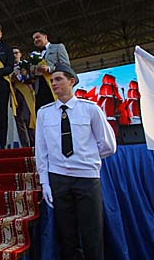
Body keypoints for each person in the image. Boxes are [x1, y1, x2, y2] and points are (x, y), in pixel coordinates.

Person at [35, 64, 116, 260]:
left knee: (92, 234)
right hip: (58, 179)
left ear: (71, 81)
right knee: (67, 236)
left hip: (86, 178)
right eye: (52, 80)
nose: (54, 83)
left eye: (58, 79)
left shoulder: (90, 109)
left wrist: (86, 159)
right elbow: (41, 151)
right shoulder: (44, 113)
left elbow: (108, 144)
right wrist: (45, 182)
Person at [32, 29, 71, 112]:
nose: (35, 40)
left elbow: (65, 65)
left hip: (54, 85)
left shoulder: (58, 47)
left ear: (45, 37)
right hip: (40, 88)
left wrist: (49, 69)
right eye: (34, 39)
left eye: (37, 37)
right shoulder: (35, 55)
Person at [11, 47, 35, 147]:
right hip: (15, 96)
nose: (14, 55)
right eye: (12, 53)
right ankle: (25, 146)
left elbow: (33, 78)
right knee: (19, 123)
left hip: (26, 95)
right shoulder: (8, 67)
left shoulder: (27, 64)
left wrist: (25, 76)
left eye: (16, 53)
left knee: (29, 121)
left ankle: (33, 145)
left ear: (20, 54)